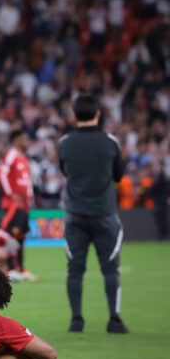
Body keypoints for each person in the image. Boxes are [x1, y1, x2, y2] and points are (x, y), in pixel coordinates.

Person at [58, 94, 128, 334]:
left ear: (74, 116)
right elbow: (119, 175)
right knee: (110, 268)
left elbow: (65, 171)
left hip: (75, 216)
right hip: (105, 215)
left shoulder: (65, 143)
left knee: (75, 270)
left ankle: (76, 320)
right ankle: (114, 320)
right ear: (98, 114)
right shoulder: (110, 142)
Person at [0, 129, 37, 280]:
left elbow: (26, 181)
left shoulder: (23, 158)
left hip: (23, 205)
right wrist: (11, 194)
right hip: (13, 205)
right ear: (17, 140)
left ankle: (19, 268)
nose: (27, 141)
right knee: (9, 235)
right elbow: (1, 174)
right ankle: (7, 269)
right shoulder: (11, 155)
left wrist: (29, 197)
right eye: (25, 138)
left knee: (20, 237)